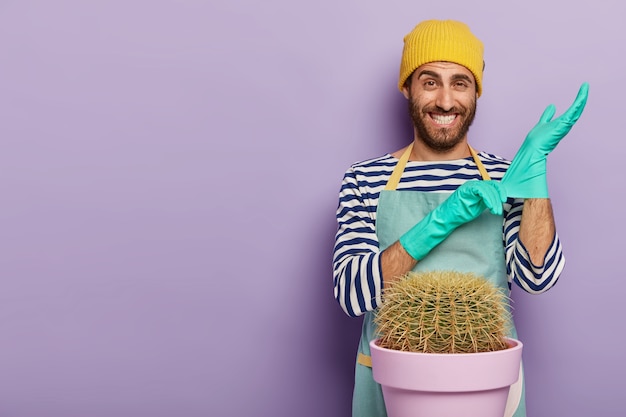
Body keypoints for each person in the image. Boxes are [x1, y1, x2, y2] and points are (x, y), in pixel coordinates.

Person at [332, 19, 588, 417]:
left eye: (460, 83)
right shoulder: (364, 178)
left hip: (487, 384)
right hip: (392, 383)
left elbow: (537, 279)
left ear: (476, 93)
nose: (446, 102)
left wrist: (536, 177)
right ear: (407, 88)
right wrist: (440, 221)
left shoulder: (505, 177)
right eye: (430, 81)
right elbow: (352, 294)